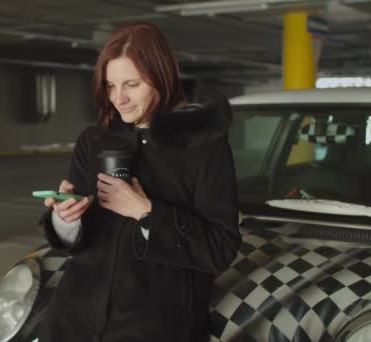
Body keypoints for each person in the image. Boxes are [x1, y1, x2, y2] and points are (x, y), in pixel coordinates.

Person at [38, 21, 241, 342]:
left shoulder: (203, 147)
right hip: (74, 319)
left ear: (161, 78)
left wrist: (146, 212)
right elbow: (79, 240)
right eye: (110, 86)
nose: (119, 98)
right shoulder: (93, 141)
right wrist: (66, 219)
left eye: (131, 84)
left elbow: (220, 248)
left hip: (155, 326)